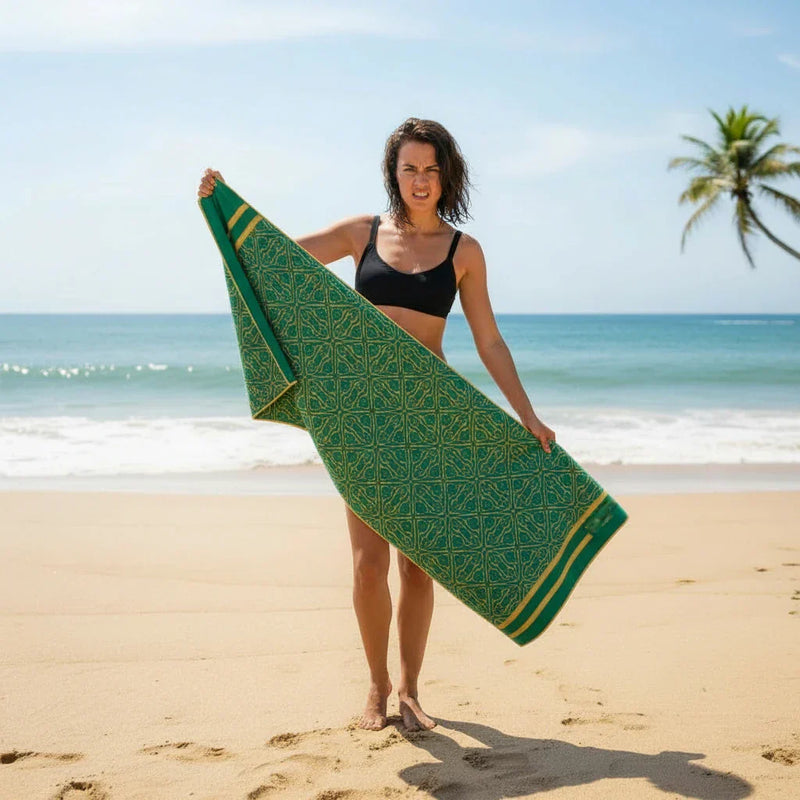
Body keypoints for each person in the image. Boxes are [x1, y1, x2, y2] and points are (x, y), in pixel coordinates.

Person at [197, 117, 555, 732]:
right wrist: (224, 207)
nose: (421, 180)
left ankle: (412, 688)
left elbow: (489, 340)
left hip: (431, 418)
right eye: (410, 167)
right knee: (367, 563)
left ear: (448, 176)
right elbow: (270, 259)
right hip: (364, 417)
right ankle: (376, 685)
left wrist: (527, 414)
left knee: (417, 563)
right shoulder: (361, 233)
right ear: (394, 173)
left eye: (431, 169)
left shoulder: (463, 251)